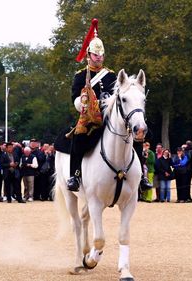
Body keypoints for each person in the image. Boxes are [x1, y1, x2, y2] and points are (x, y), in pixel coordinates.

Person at [66, 19, 151, 192]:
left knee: (137, 135)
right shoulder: (81, 75)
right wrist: (83, 103)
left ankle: (141, 176)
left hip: (110, 113)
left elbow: (118, 94)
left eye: (101, 55)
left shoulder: (111, 75)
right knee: (79, 136)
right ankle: (74, 175)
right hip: (90, 115)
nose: (99, 58)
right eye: (95, 55)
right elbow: (75, 97)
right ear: (89, 55)